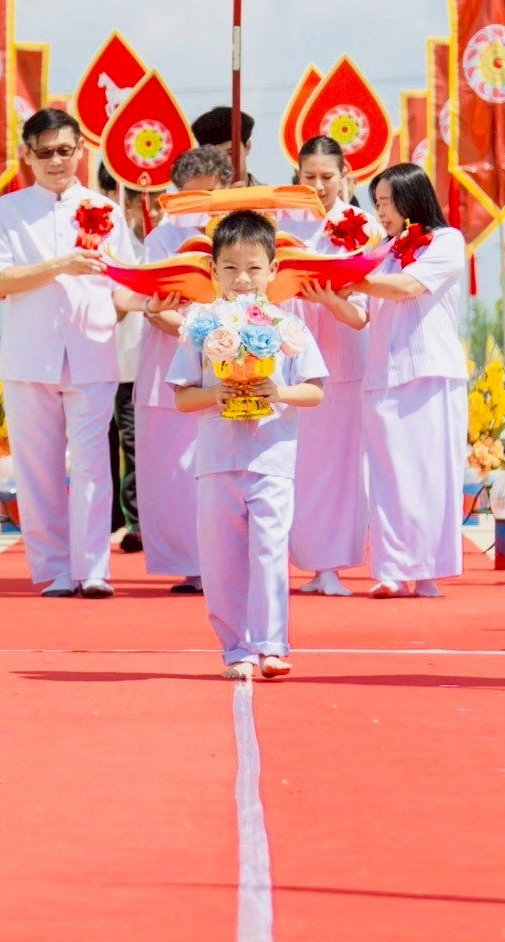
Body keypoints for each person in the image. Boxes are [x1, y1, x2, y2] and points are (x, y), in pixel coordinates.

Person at [0, 109, 136, 598]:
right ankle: (52, 569)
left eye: (64, 151)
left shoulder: (103, 208)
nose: (55, 161)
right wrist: (60, 265)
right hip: (31, 355)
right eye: (44, 152)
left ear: (80, 151)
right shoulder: (9, 211)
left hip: (91, 351)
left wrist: (146, 301)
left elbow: (125, 284)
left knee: (92, 462)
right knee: (38, 467)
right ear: (26, 155)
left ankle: (93, 569)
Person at [167, 211, 327, 680]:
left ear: (274, 269)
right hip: (217, 459)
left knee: (270, 550)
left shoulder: (289, 327)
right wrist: (214, 393)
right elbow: (181, 396)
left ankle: (272, 644)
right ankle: (236, 647)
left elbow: (315, 390)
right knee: (220, 559)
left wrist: (277, 392)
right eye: (231, 268)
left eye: (254, 267)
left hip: (273, 456)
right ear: (213, 271)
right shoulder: (201, 326)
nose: (243, 279)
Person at [319, 163, 466, 598]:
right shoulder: (378, 250)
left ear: (410, 198)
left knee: (431, 473)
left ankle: (428, 572)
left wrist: (354, 278)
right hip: (383, 374)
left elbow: (406, 288)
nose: (380, 212)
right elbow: (362, 315)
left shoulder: (446, 241)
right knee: (386, 476)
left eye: (386, 202)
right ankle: (390, 568)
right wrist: (330, 297)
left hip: (431, 371)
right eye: (377, 203)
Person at [129, 144, 234, 591]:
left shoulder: (244, 232)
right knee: (170, 474)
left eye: (210, 196)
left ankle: (226, 559)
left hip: (232, 363)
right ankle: (190, 565)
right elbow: (152, 305)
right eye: (191, 198)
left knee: (218, 469)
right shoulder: (163, 238)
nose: (200, 209)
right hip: (170, 360)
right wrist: (193, 325)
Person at [281, 135, 372, 595]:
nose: (317, 186)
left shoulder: (361, 225)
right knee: (289, 461)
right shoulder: (280, 219)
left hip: (340, 351)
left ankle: (328, 565)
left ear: (345, 175)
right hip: (288, 352)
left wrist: (332, 297)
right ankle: (279, 558)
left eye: (326, 177)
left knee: (336, 464)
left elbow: (366, 296)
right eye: (308, 176)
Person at [98, 164, 144, 552]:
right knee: (111, 441)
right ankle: (121, 519)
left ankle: (140, 520)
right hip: (108, 359)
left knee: (137, 442)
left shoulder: (163, 241)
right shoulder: (105, 239)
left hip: (145, 362)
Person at [191, 105, 261, 185]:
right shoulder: (196, 197)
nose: (225, 162)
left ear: (247, 147)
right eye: (215, 156)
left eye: (231, 153)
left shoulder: (270, 196)